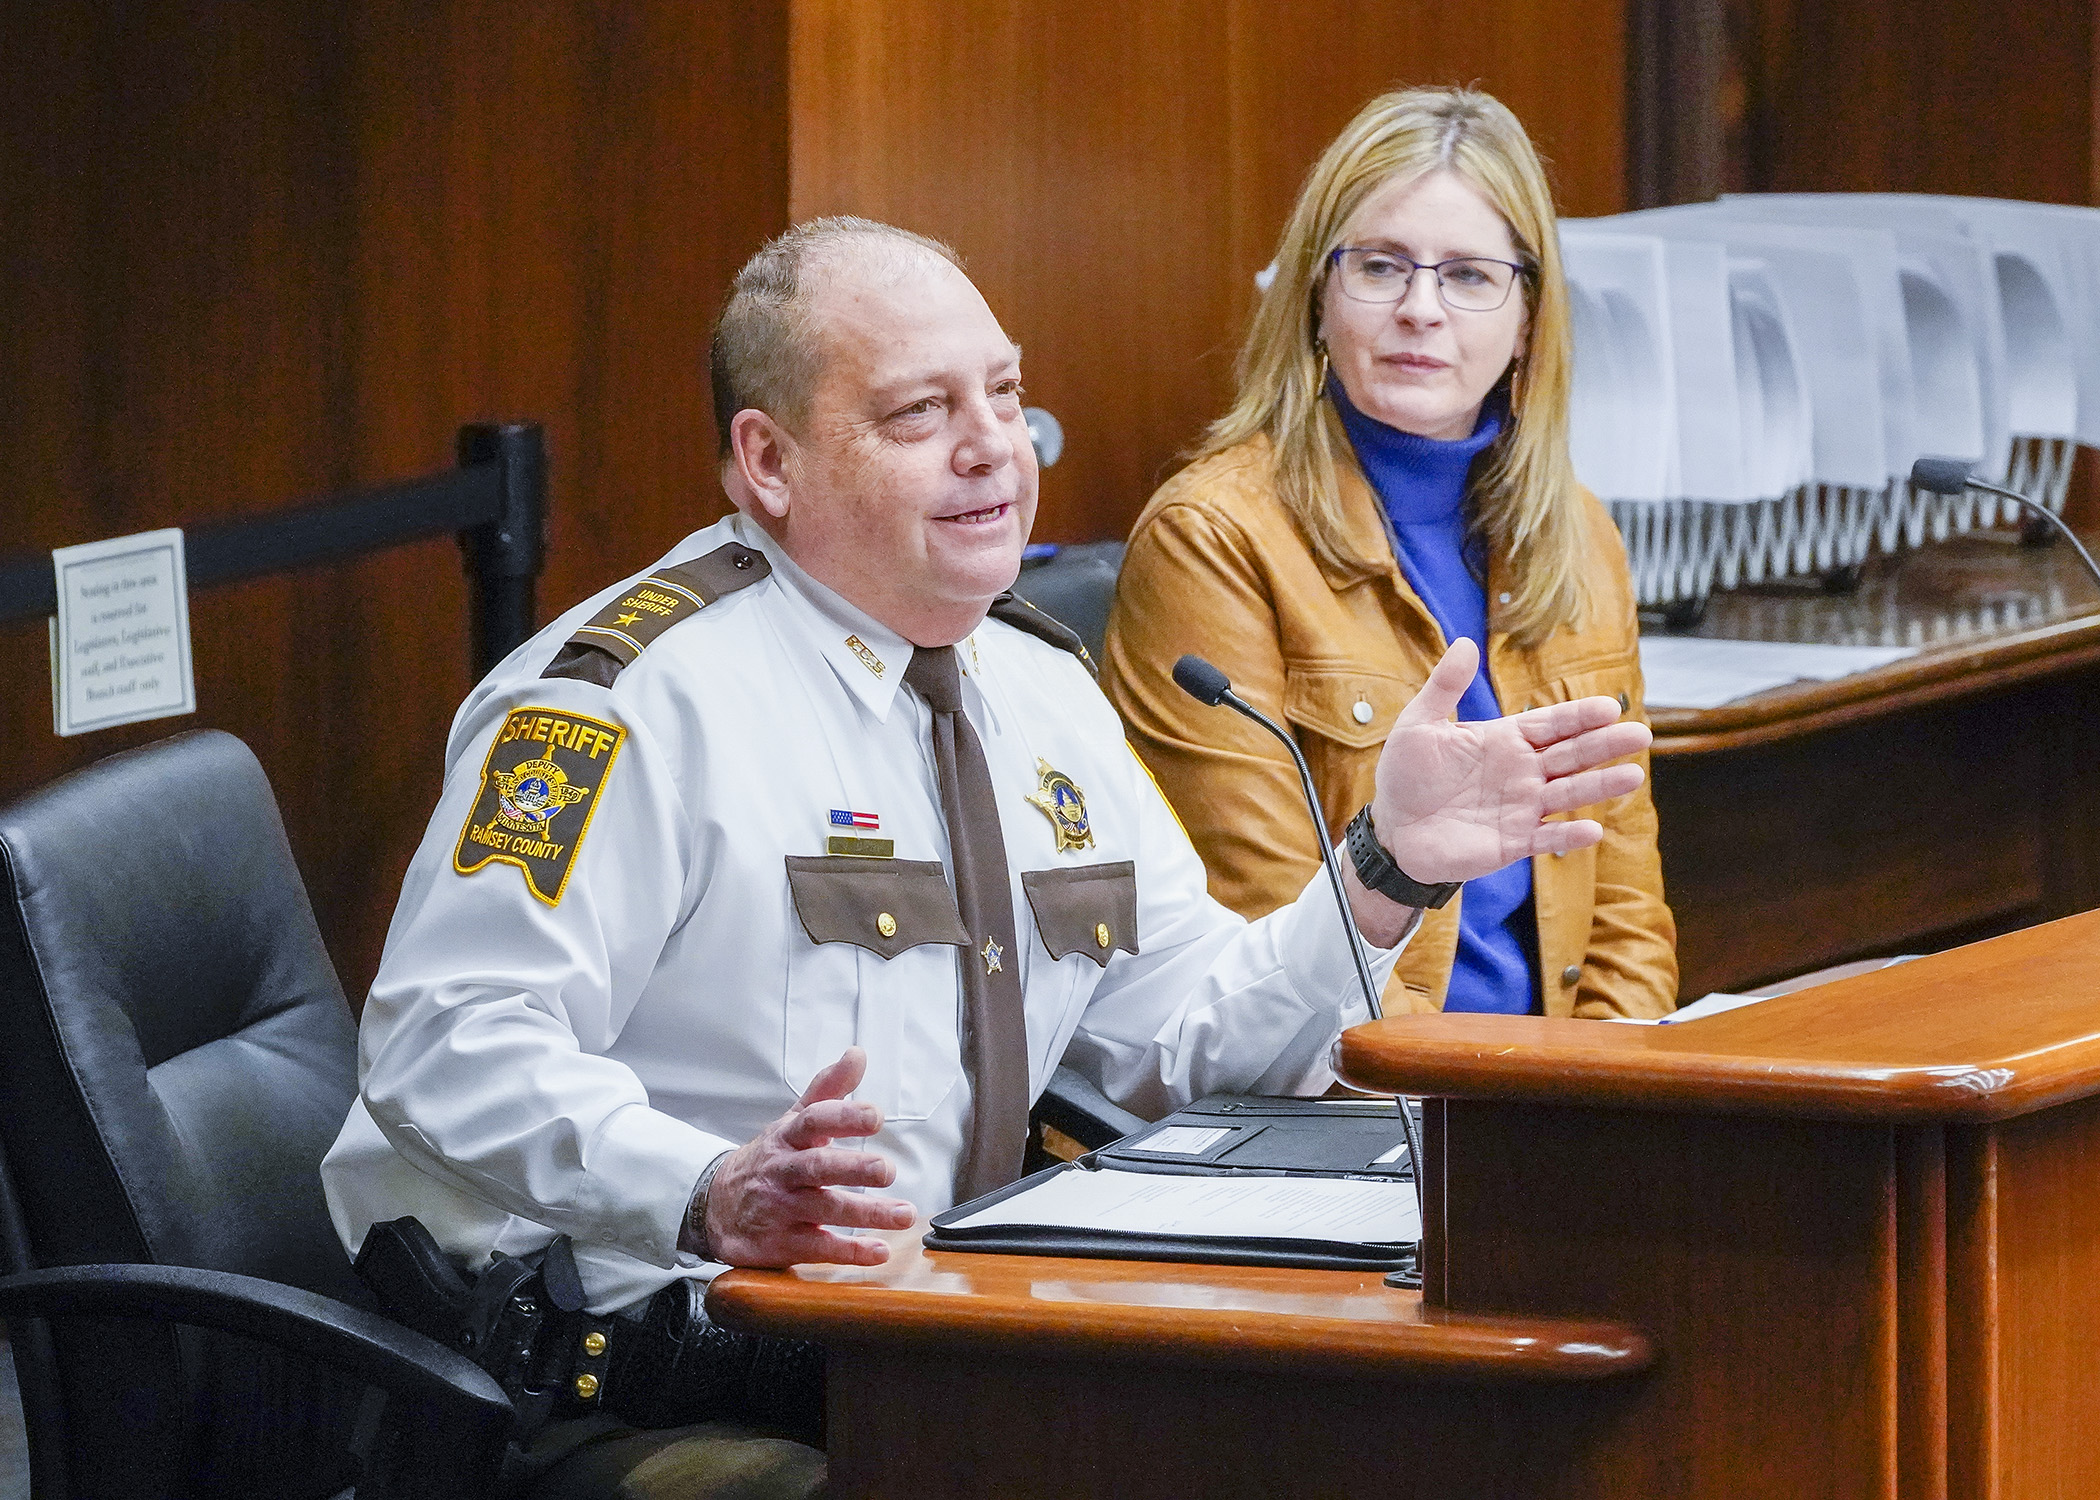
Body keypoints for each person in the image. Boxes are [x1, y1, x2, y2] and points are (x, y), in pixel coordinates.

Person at [320, 216, 1652, 1447]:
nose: (994, 451)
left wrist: (1384, 865)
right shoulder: (626, 706)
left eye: (1007, 397)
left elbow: (1186, 1047)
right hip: (632, 1384)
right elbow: (444, 1042)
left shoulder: (1037, 689)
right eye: (921, 414)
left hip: (927, 1345)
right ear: (768, 463)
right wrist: (707, 1185)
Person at [1101, 86, 1676, 1020]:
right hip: (1368, 1107)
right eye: (1380, 267)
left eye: (1468, 276)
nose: (1421, 309)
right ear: (1318, 297)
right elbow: (1268, 944)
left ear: (1529, 317)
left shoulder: (1579, 535)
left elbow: (1625, 917)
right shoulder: (1212, 539)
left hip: (1560, 1107)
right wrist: (1482, 1137)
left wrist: (1612, 1107)